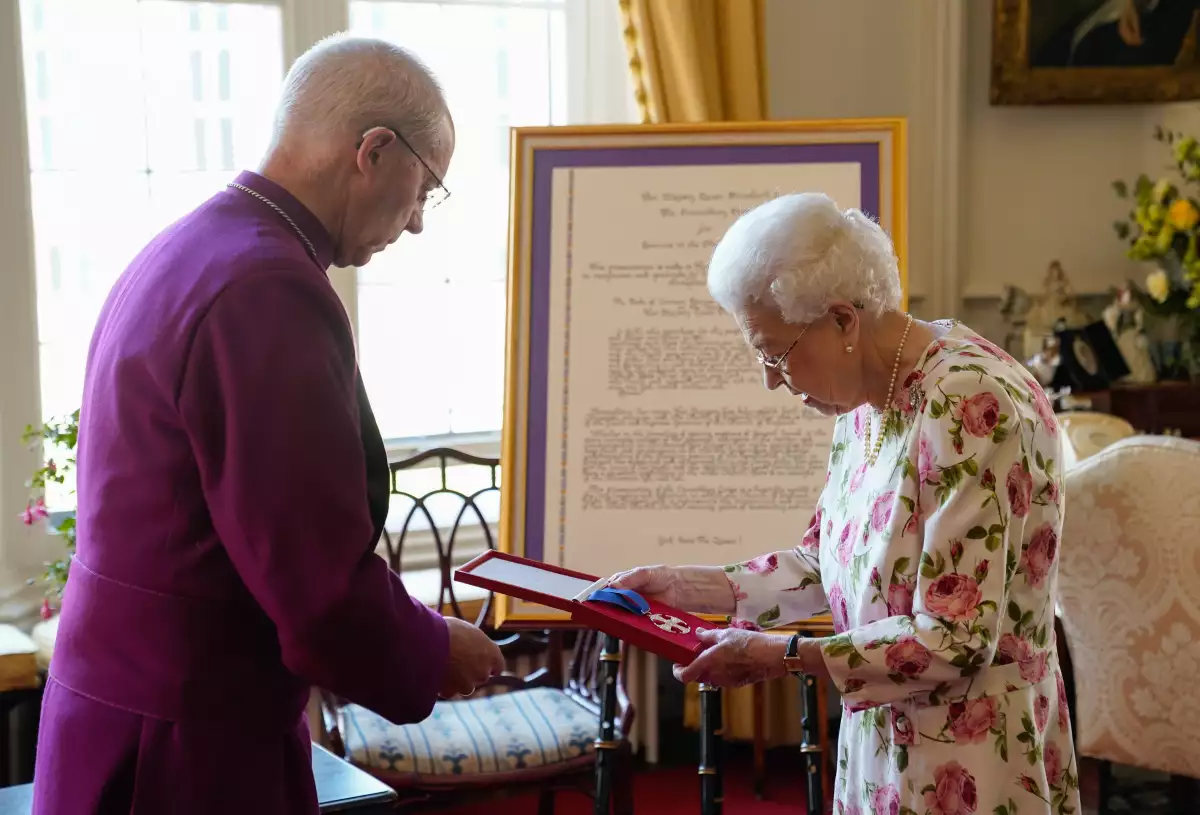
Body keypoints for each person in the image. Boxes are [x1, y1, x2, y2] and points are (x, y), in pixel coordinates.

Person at [32, 35, 504, 815]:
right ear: (375, 151)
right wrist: (428, 649)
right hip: (187, 738)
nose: (418, 222)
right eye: (426, 188)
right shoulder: (267, 289)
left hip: (121, 702)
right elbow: (311, 579)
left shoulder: (192, 245)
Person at [610, 193, 1080, 814]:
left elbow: (956, 639)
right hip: (885, 737)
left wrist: (780, 658)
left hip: (971, 755)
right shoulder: (868, 396)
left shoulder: (970, 404)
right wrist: (688, 588)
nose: (770, 379)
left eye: (773, 353)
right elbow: (830, 563)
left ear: (842, 321)